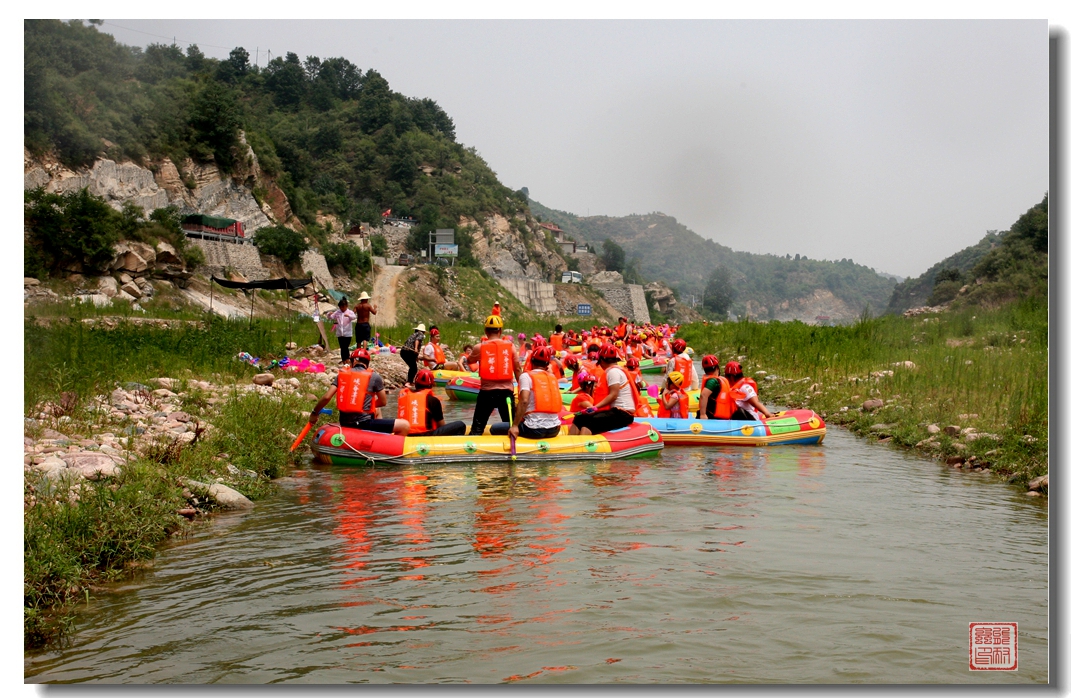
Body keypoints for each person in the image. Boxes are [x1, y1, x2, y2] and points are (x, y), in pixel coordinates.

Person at [307, 349, 410, 435]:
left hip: (345, 422)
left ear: (354, 362)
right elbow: (383, 402)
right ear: (367, 364)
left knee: (377, 410)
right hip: (363, 423)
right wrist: (365, 406)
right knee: (405, 425)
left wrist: (315, 413)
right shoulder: (374, 377)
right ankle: (389, 448)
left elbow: (326, 397)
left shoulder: (341, 375)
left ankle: (377, 438)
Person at [466, 314, 522, 436]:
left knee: (477, 429)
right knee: (510, 425)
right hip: (506, 393)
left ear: (485, 331)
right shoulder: (511, 347)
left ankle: (473, 446)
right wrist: (522, 389)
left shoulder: (479, 347)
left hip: (486, 393)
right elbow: (517, 369)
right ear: (500, 331)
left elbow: (470, 361)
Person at [569, 346, 640, 436]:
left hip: (623, 414)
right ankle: (572, 442)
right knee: (579, 418)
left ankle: (582, 447)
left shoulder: (613, 372)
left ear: (602, 360)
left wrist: (595, 407)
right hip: (615, 411)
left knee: (589, 422)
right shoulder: (614, 371)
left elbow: (613, 395)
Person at [509, 346, 563, 440]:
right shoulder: (553, 377)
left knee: (495, 428)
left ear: (531, 361)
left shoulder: (526, 376)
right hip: (555, 429)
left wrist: (514, 426)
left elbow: (524, 401)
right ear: (547, 364)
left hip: (534, 429)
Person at [398, 370, 467, 436]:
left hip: (406, 434)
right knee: (460, 425)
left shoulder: (405, 397)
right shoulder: (433, 400)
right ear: (432, 384)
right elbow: (441, 425)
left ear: (415, 383)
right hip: (425, 435)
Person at [696, 355, 733, 420]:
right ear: (717, 368)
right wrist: (703, 414)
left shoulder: (715, 380)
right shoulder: (713, 381)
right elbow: (703, 395)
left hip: (718, 417)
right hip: (712, 417)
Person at [327, 297, 357, 364]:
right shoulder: (337, 312)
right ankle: (344, 360)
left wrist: (349, 316)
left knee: (346, 347)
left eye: (343, 307)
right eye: (341, 307)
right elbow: (331, 317)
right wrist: (329, 314)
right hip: (340, 333)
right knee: (342, 347)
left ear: (346, 306)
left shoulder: (349, 312)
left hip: (347, 333)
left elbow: (354, 317)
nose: (342, 309)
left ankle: (347, 359)